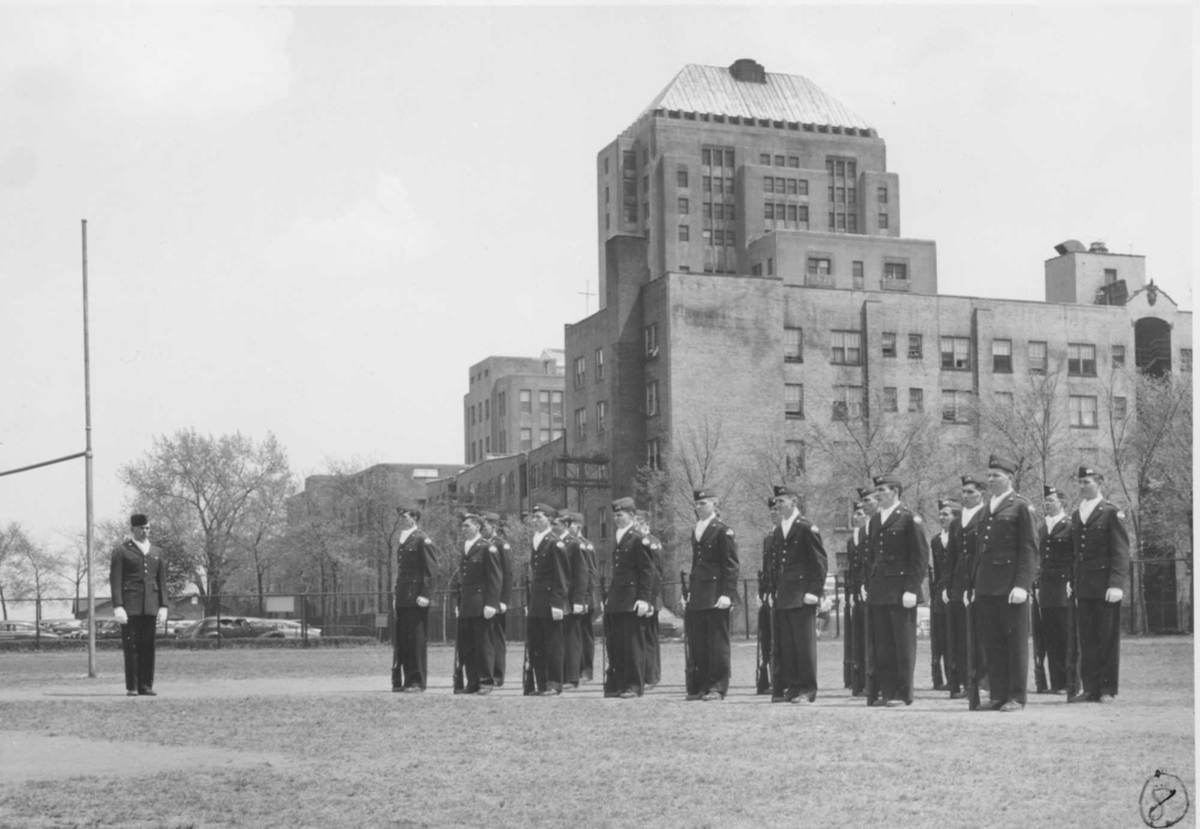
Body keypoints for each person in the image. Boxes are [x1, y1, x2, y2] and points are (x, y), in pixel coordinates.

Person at [972, 455, 1037, 712]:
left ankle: (1016, 696)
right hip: (988, 585)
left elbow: (1029, 547)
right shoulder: (988, 507)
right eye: (988, 476)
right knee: (993, 643)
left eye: (996, 475)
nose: (990, 480)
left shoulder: (1021, 506)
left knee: (1015, 643)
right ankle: (998, 694)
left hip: (1011, 586)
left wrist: (1023, 584)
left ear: (1009, 478)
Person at [862, 475, 928, 707]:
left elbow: (920, 557)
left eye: (882, 490)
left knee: (903, 645)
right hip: (880, 591)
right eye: (877, 490)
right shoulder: (877, 520)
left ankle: (903, 692)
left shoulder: (909, 518)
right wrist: (868, 584)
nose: (877, 494)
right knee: (884, 646)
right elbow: (872, 557)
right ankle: (888, 691)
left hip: (901, 592)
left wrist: (912, 589)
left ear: (895, 491)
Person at [1068, 466, 1130, 704]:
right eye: (1080, 482)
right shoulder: (1077, 514)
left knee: (1106, 639)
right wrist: (1073, 582)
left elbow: (1120, 551)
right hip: (1084, 586)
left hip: (1105, 587)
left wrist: (1116, 583)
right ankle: (1090, 687)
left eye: (1087, 482)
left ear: (1099, 483)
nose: (1083, 486)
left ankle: (1106, 688)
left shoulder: (1111, 512)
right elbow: (1075, 552)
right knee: (1088, 639)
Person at [768, 487, 827, 704]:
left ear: (794, 501)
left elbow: (819, 562)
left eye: (782, 500)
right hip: (785, 594)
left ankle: (807, 689)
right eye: (776, 501)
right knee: (789, 645)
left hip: (802, 594)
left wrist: (814, 591)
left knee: (804, 645)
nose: (778, 505)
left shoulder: (805, 527)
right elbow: (776, 565)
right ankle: (792, 686)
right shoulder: (778, 530)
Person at [683, 489, 740, 701]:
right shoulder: (696, 529)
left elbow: (731, 565)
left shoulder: (722, 531)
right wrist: (690, 591)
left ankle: (717, 686)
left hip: (716, 593)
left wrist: (728, 594)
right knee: (700, 643)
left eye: (703, 503)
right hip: (699, 593)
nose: (699, 507)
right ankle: (702, 685)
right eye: (697, 504)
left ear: (715, 505)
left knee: (717, 643)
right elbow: (696, 564)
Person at [110, 513, 168, 697]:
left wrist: (163, 605)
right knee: (132, 646)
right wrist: (118, 605)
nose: (145, 531)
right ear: (133, 529)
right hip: (131, 605)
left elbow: (162, 580)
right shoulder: (121, 551)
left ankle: (146, 685)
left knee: (148, 646)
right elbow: (116, 579)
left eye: (147, 528)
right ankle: (132, 686)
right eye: (142, 528)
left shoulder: (157, 552)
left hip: (150, 605)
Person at [605, 498, 655, 698]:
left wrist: (644, 598)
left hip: (632, 598)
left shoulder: (637, 538)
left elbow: (647, 571)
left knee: (633, 645)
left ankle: (634, 685)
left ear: (632, 516)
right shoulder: (618, 537)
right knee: (618, 644)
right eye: (615, 515)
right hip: (618, 598)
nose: (617, 518)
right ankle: (620, 683)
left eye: (621, 515)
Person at [392, 507, 438, 693]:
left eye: (405, 516)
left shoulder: (421, 539)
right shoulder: (403, 539)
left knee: (416, 641)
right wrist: (397, 595)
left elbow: (431, 569)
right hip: (404, 595)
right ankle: (406, 679)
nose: (402, 519)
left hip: (416, 597)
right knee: (404, 640)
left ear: (414, 518)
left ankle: (417, 680)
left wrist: (426, 594)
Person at [455, 514, 502, 694]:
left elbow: (495, 578)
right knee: (468, 646)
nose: (463, 529)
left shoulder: (487, 548)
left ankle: (485, 681)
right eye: (463, 526)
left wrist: (491, 603)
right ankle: (472, 681)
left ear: (477, 527)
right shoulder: (465, 548)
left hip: (482, 603)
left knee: (484, 645)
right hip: (467, 604)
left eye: (467, 526)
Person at [949, 474, 986, 701]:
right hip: (959, 583)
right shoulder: (956, 522)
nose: (965, 496)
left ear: (981, 493)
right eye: (963, 492)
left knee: (980, 636)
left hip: (979, 580)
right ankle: (966, 681)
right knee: (961, 636)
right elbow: (951, 558)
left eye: (970, 492)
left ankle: (982, 682)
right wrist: (949, 586)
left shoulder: (986, 515)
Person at [526, 504, 569, 696]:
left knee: (553, 644)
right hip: (537, 600)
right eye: (533, 518)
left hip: (550, 601)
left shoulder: (554, 542)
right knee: (537, 644)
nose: (535, 521)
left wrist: (557, 603)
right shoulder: (536, 541)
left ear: (550, 520)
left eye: (539, 517)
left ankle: (553, 683)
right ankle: (541, 683)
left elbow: (561, 575)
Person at [1036, 486, 1073, 694]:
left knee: (1065, 633)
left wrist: (1071, 580)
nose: (1047, 503)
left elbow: (1074, 556)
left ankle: (1070, 681)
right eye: (1045, 500)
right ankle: (1057, 682)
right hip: (1047, 586)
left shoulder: (1070, 525)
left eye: (1051, 500)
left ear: (1062, 502)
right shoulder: (1042, 528)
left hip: (1063, 585)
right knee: (1050, 636)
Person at [928, 499, 959, 691]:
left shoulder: (960, 536)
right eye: (940, 514)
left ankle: (957, 677)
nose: (942, 518)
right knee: (941, 636)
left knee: (955, 635)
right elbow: (938, 570)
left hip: (957, 591)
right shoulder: (936, 540)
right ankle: (941, 679)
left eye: (946, 514)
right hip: (941, 593)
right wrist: (935, 593)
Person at [565, 512, 598, 683]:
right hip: (571, 597)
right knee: (572, 636)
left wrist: (585, 599)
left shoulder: (585, 545)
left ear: (577, 526)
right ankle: (573, 668)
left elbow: (590, 573)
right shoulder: (567, 544)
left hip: (585, 598)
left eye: (569, 523)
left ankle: (586, 669)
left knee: (584, 636)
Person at [481, 512, 512, 687]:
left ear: (493, 526)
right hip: (484, 598)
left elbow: (507, 573)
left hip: (497, 598)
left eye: (485, 526)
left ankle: (498, 674)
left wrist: (503, 600)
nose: (483, 529)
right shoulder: (483, 545)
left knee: (496, 638)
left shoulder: (501, 545)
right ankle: (487, 672)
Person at [635, 510, 665, 687]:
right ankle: (643, 674)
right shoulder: (637, 542)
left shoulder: (652, 543)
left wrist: (652, 600)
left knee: (649, 639)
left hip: (650, 598)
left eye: (638, 523)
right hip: (640, 597)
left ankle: (651, 676)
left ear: (645, 524)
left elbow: (656, 573)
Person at [559, 512, 587, 689]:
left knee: (572, 638)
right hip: (558, 597)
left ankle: (572, 676)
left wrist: (579, 600)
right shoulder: (556, 542)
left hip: (570, 597)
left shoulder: (574, 544)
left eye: (559, 522)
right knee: (559, 638)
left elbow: (582, 574)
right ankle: (561, 674)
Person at [758, 493, 781, 695]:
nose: (774, 513)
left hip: (783, 593)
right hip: (769, 594)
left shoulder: (786, 534)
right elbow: (767, 568)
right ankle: (772, 678)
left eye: (777, 509)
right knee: (769, 638)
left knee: (781, 638)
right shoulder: (768, 537)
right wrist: (762, 592)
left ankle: (781, 678)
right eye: (772, 510)